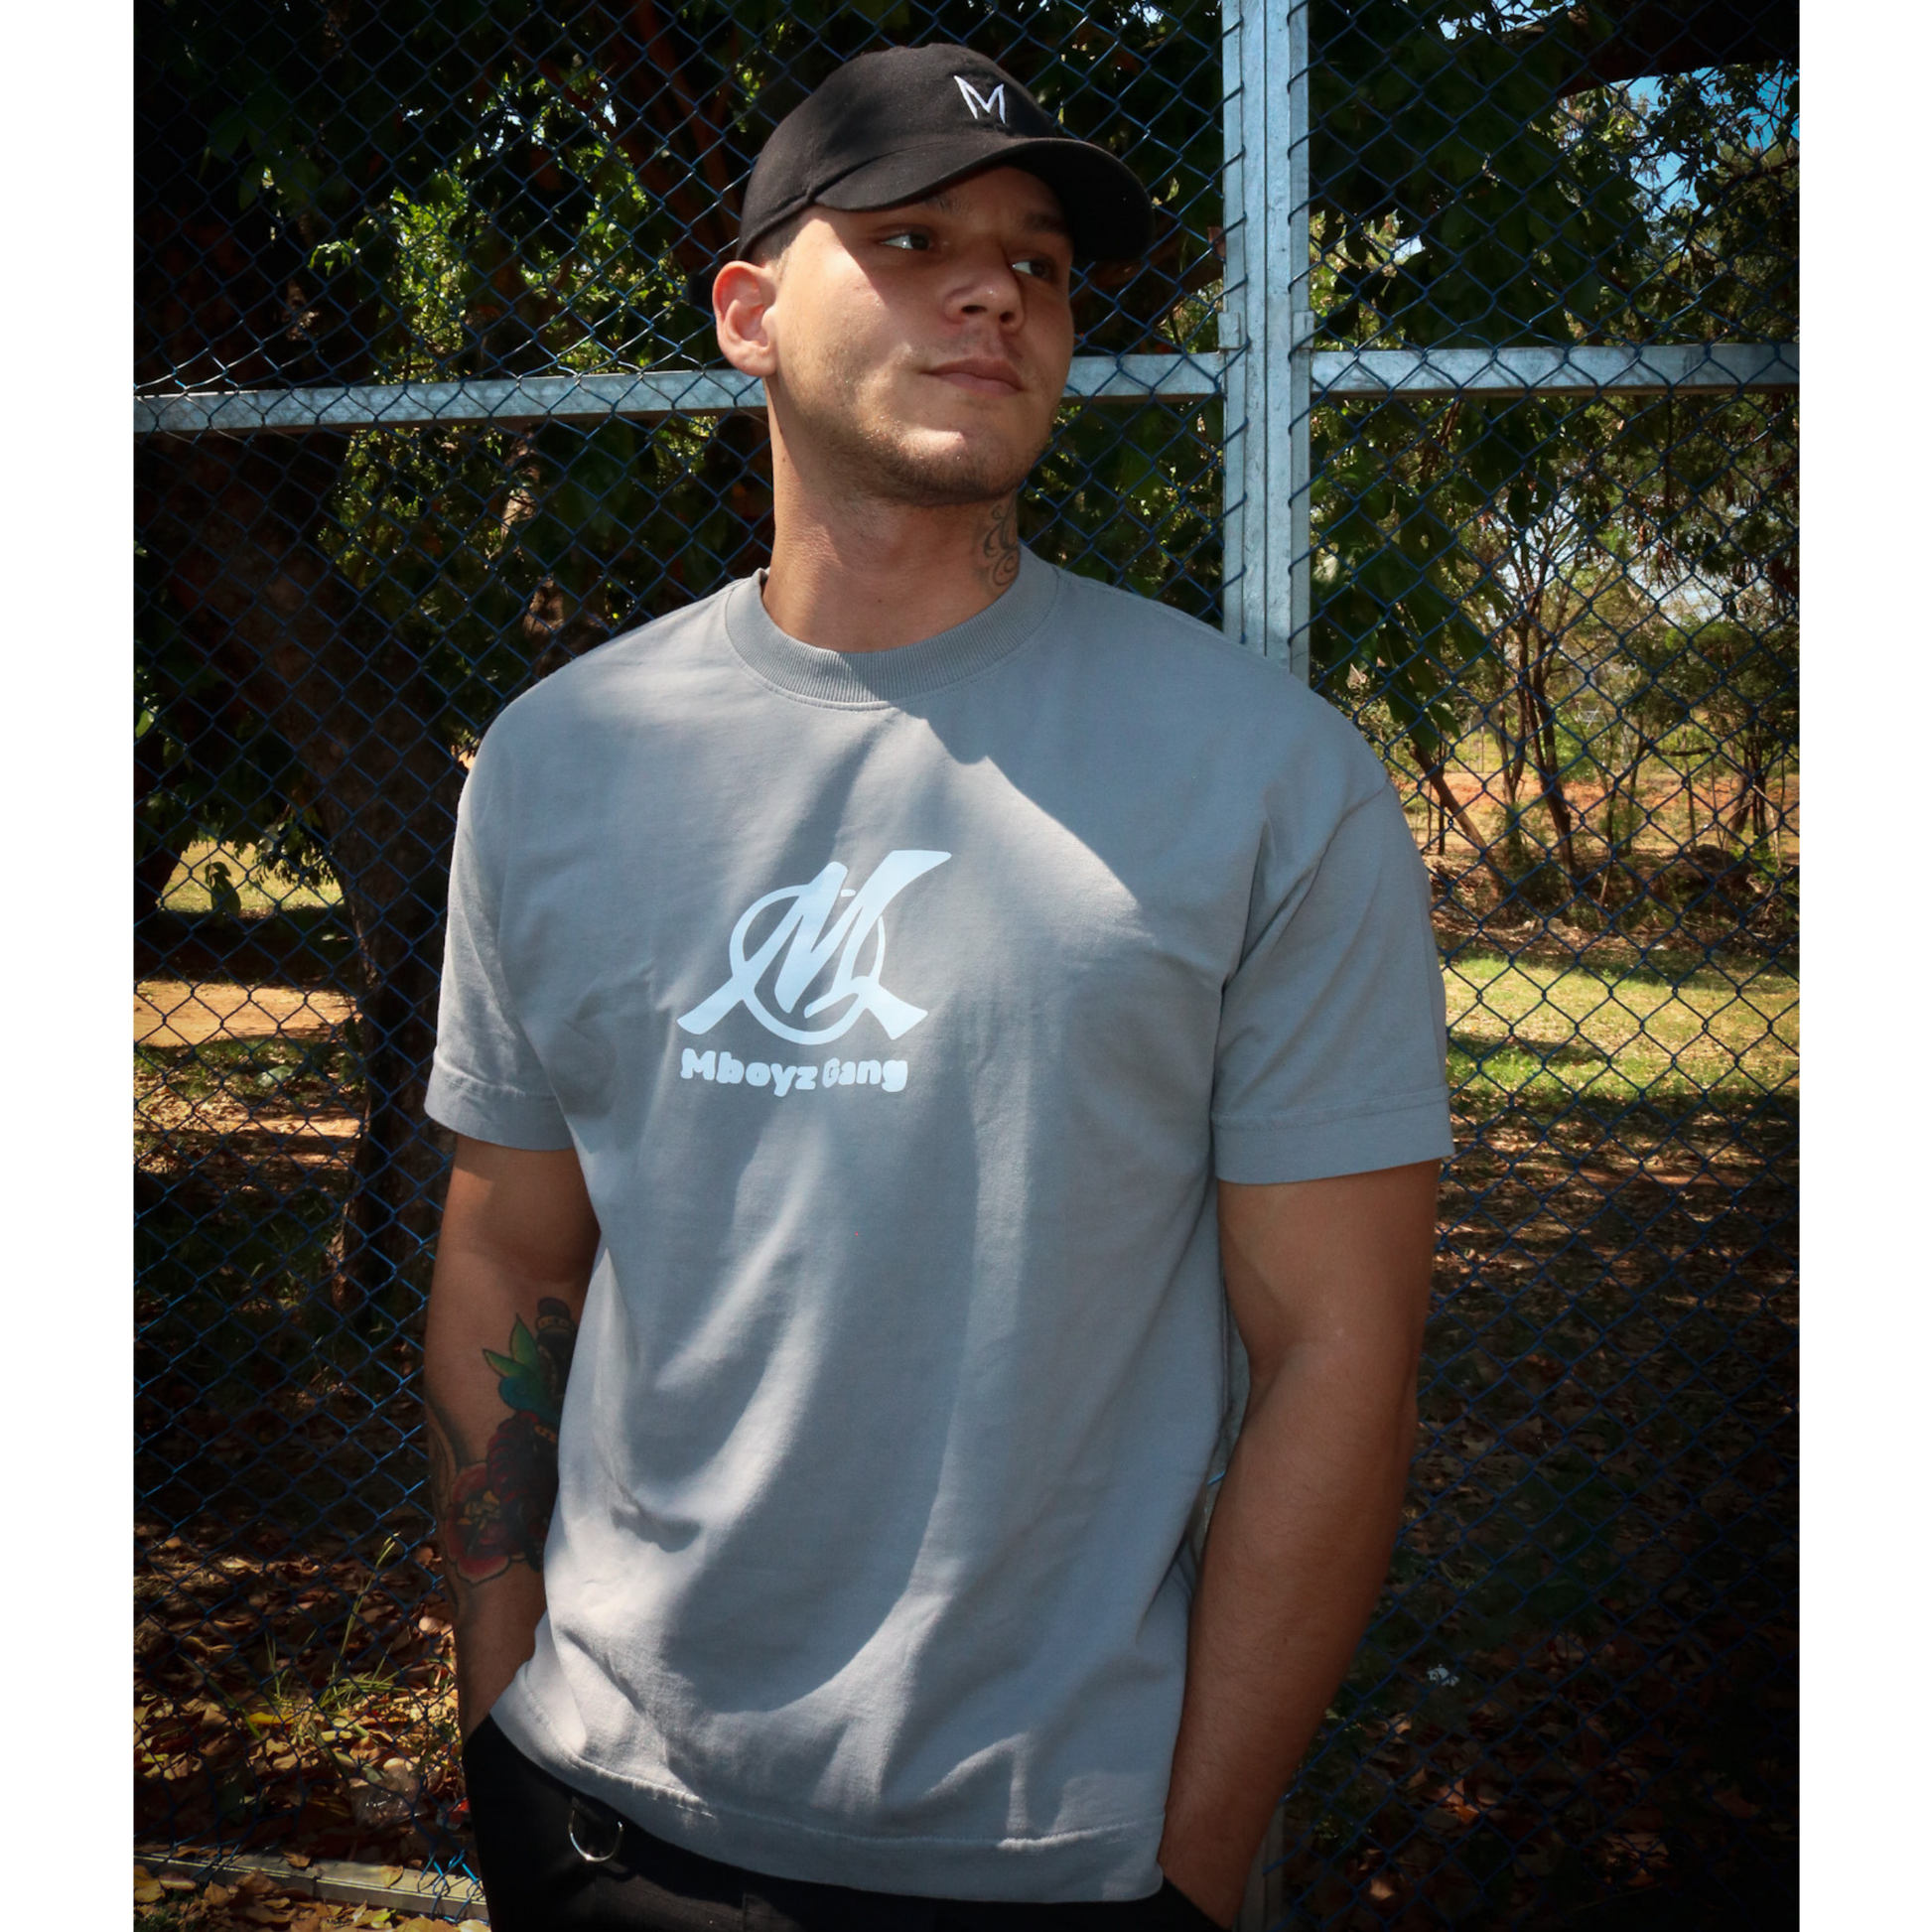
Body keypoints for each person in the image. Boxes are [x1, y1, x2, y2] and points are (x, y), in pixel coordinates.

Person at [423, 42, 1450, 1932]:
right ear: (747, 313)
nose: (994, 292)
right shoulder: (559, 762)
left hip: (1058, 1863)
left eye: (1036, 262)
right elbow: (510, 1256)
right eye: (910, 240)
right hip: (601, 1820)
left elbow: (1339, 1350)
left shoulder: (1262, 779)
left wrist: (1193, 1863)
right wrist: (503, 1719)